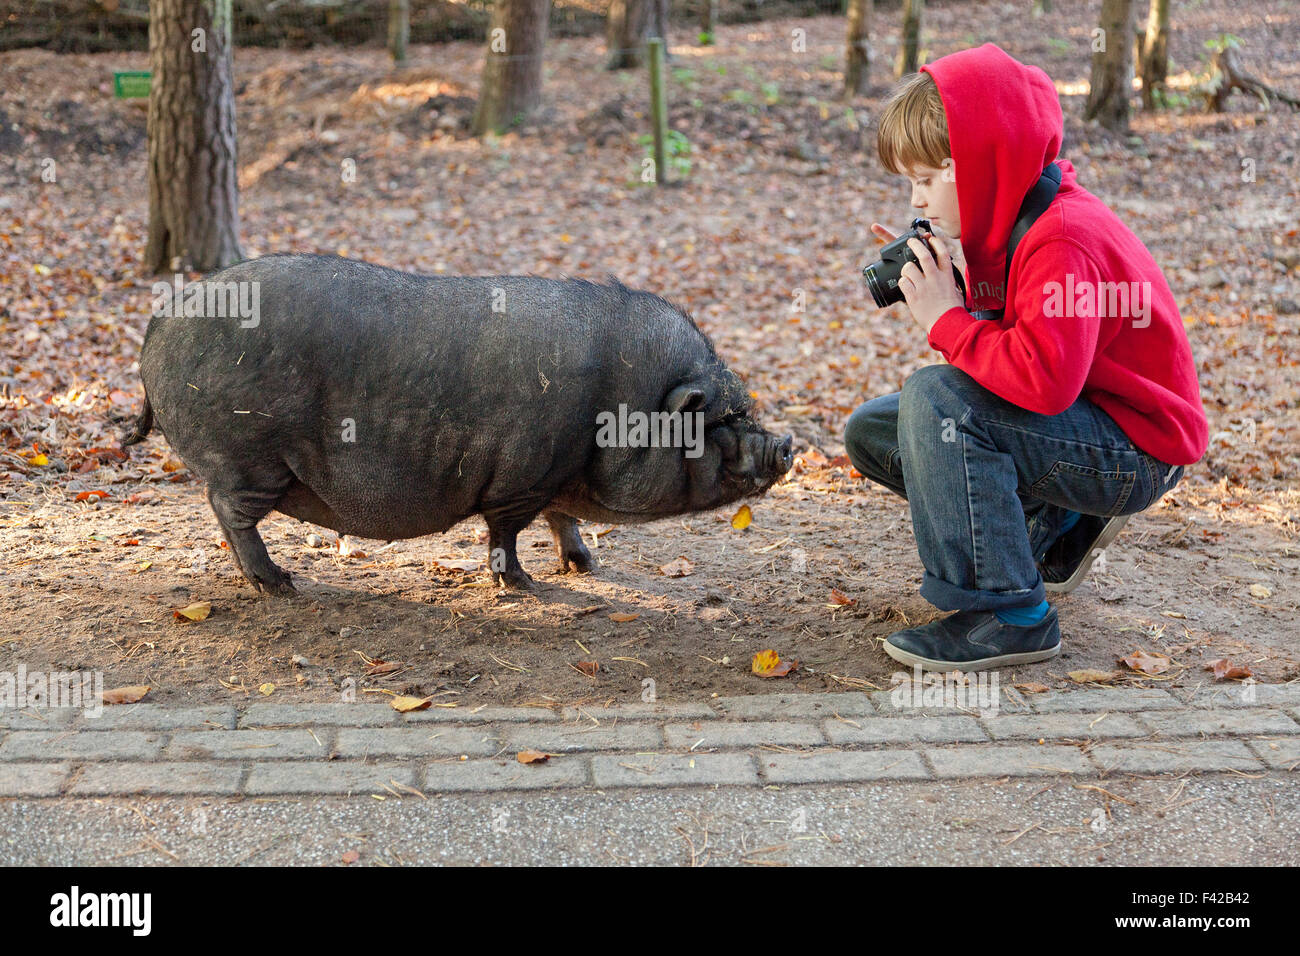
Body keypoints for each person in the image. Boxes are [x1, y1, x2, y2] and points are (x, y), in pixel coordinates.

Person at [844, 44, 1208, 672]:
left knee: (935, 400)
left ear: (984, 164)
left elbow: (1041, 385)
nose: (917, 201)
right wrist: (963, 291)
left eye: (929, 179)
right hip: (1092, 422)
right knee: (877, 429)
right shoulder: (1013, 224)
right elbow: (1017, 367)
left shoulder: (1061, 239)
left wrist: (946, 321)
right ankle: (1054, 528)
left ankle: (1009, 613)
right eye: (911, 183)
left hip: (1137, 449)